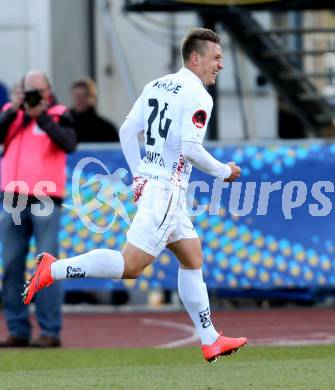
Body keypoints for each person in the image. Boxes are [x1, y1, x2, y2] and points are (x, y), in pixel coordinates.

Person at [23, 28, 247, 362]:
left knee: (192, 257)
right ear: (195, 58)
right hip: (167, 192)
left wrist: (139, 173)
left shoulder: (156, 85)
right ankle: (52, 270)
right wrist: (223, 171)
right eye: (216, 58)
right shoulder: (199, 96)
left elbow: (128, 131)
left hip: (158, 187)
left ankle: (210, 339)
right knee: (130, 265)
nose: (220, 65)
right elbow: (191, 149)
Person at [0, 71, 77, 348]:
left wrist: (42, 118)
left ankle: (50, 330)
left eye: (37, 91)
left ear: (48, 91)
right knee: (10, 266)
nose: (33, 96)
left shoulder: (59, 114)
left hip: (46, 199)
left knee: (46, 268)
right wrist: (15, 110)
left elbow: (69, 144)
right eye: (27, 90)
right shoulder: (11, 114)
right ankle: (18, 329)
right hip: (12, 197)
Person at [70, 77, 119, 142]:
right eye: (77, 96)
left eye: (83, 96)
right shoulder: (64, 126)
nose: (80, 100)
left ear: (91, 97)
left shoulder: (105, 128)